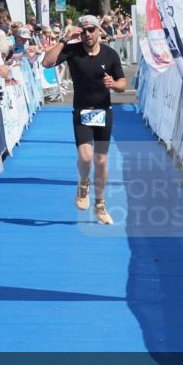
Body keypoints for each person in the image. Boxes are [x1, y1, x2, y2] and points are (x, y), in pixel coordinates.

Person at [41, 15, 126, 225]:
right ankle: (84, 183)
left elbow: (123, 83)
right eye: (84, 31)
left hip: (104, 112)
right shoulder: (73, 50)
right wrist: (64, 39)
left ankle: (100, 204)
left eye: (91, 30)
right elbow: (46, 62)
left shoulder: (110, 54)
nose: (87, 35)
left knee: (102, 160)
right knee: (86, 157)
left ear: (99, 31)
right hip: (82, 111)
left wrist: (114, 85)